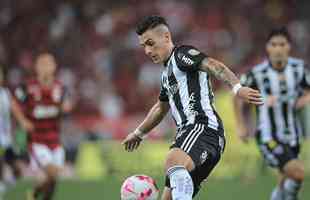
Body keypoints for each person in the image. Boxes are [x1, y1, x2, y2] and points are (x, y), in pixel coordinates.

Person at [122, 15, 263, 200]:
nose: (148, 50)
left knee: (172, 160)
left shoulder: (182, 55)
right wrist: (138, 133)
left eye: (151, 43)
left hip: (201, 127)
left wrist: (237, 87)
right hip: (198, 136)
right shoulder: (166, 75)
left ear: (166, 37)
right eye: (144, 46)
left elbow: (213, 65)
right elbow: (160, 108)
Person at [235, 27, 310, 200]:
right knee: (297, 173)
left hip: (293, 135)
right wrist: (241, 125)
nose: (278, 48)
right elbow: (237, 95)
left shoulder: (298, 69)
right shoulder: (257, 73)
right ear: (267, 48)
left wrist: (303, 101)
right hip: (268, 136)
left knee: (285, 180)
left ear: (288, 47)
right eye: (273, 44)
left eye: (282, 44)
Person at [14, 53, 72, 200]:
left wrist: (66, 107)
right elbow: (13, 103)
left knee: (53, 182)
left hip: (55, 140)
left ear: (54, 67)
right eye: (42, 64)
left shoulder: (61, 88)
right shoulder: (28, 87)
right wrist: (22, 121)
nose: (46, 68)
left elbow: (67, 104)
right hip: (37, 140)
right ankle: (33, 194)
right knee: (52, 173)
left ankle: (34, 195)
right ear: (37, 68)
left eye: (49, 64)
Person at [0, 66, 33, 196]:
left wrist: (23, 122)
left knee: (18, 170)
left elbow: (15, 110)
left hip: (6, 138)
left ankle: (6, 184)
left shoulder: (5, 94)